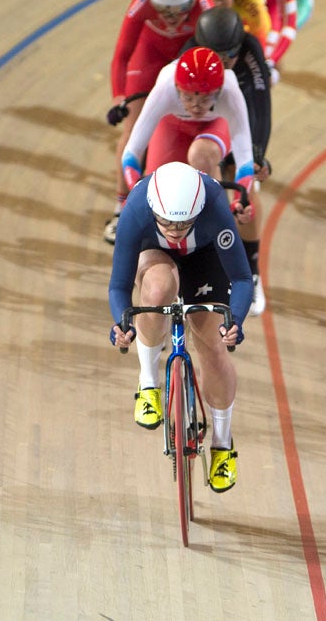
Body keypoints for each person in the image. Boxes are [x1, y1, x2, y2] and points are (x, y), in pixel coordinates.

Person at [108, 161, 253, 493]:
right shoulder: (136, 209)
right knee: (156, 291)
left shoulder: (215, 207)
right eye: (167, 223)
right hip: (155, 254)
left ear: (198, 211)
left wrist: (236, 321)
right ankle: (148, 383)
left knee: (213, 347)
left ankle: (222, 444)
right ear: (153, 211)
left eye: (184, 223)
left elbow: (242, 278)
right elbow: (118, 286)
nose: (174, 230)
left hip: (206, 256)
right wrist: (121, 324)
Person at [104, 0, 213, 244]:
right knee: (132, 130)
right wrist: (119, 96)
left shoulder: (204, 3)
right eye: (164, 12)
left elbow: (212, 53)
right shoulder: (143, 0)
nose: (171, 19)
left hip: (185, 58)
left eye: (178, 13)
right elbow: (122, 54)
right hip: (149, 58)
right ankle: (120, 208)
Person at [183, 6, 274, 316]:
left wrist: (258, 151)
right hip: (199, 122)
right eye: (217, 57)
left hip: (237, 120)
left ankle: (251, 270)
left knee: (243, 192)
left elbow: (261, 104)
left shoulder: (250, 49)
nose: (224, 63)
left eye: (230, 55)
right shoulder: (188, 55)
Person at [121, 47, 262, 225]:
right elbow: (132, 151)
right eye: (187, 98)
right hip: (173, 126)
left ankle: (217, 223)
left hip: (213, 126)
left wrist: (239, 201)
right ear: (177, 88)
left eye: (205, 99)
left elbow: (245, 160)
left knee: (201, 154)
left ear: (218, 92)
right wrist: (136, 191)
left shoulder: (230, 91)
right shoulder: (165, 87)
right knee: (156, 196)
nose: (195, 107)